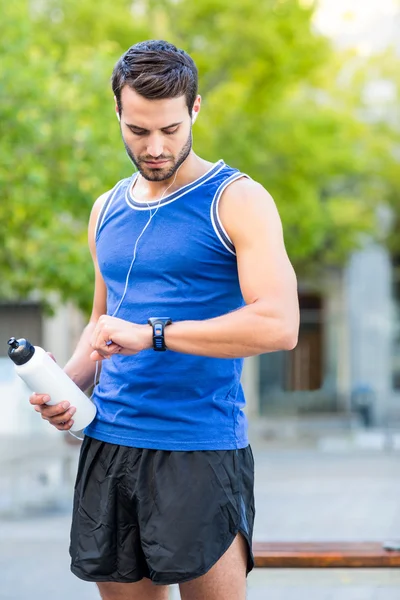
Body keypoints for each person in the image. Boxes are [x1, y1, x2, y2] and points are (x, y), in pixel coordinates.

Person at [30, 40, 299, 600]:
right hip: (108, 443)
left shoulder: (237, 199)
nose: (154, 147)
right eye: (138, 130)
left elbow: (279, 325)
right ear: (118, 114)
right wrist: (68, 385)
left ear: (195, 109)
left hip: (196, 448)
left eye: (170, 130)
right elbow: (103, 322)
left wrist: (155, 335)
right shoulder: (106, 207)